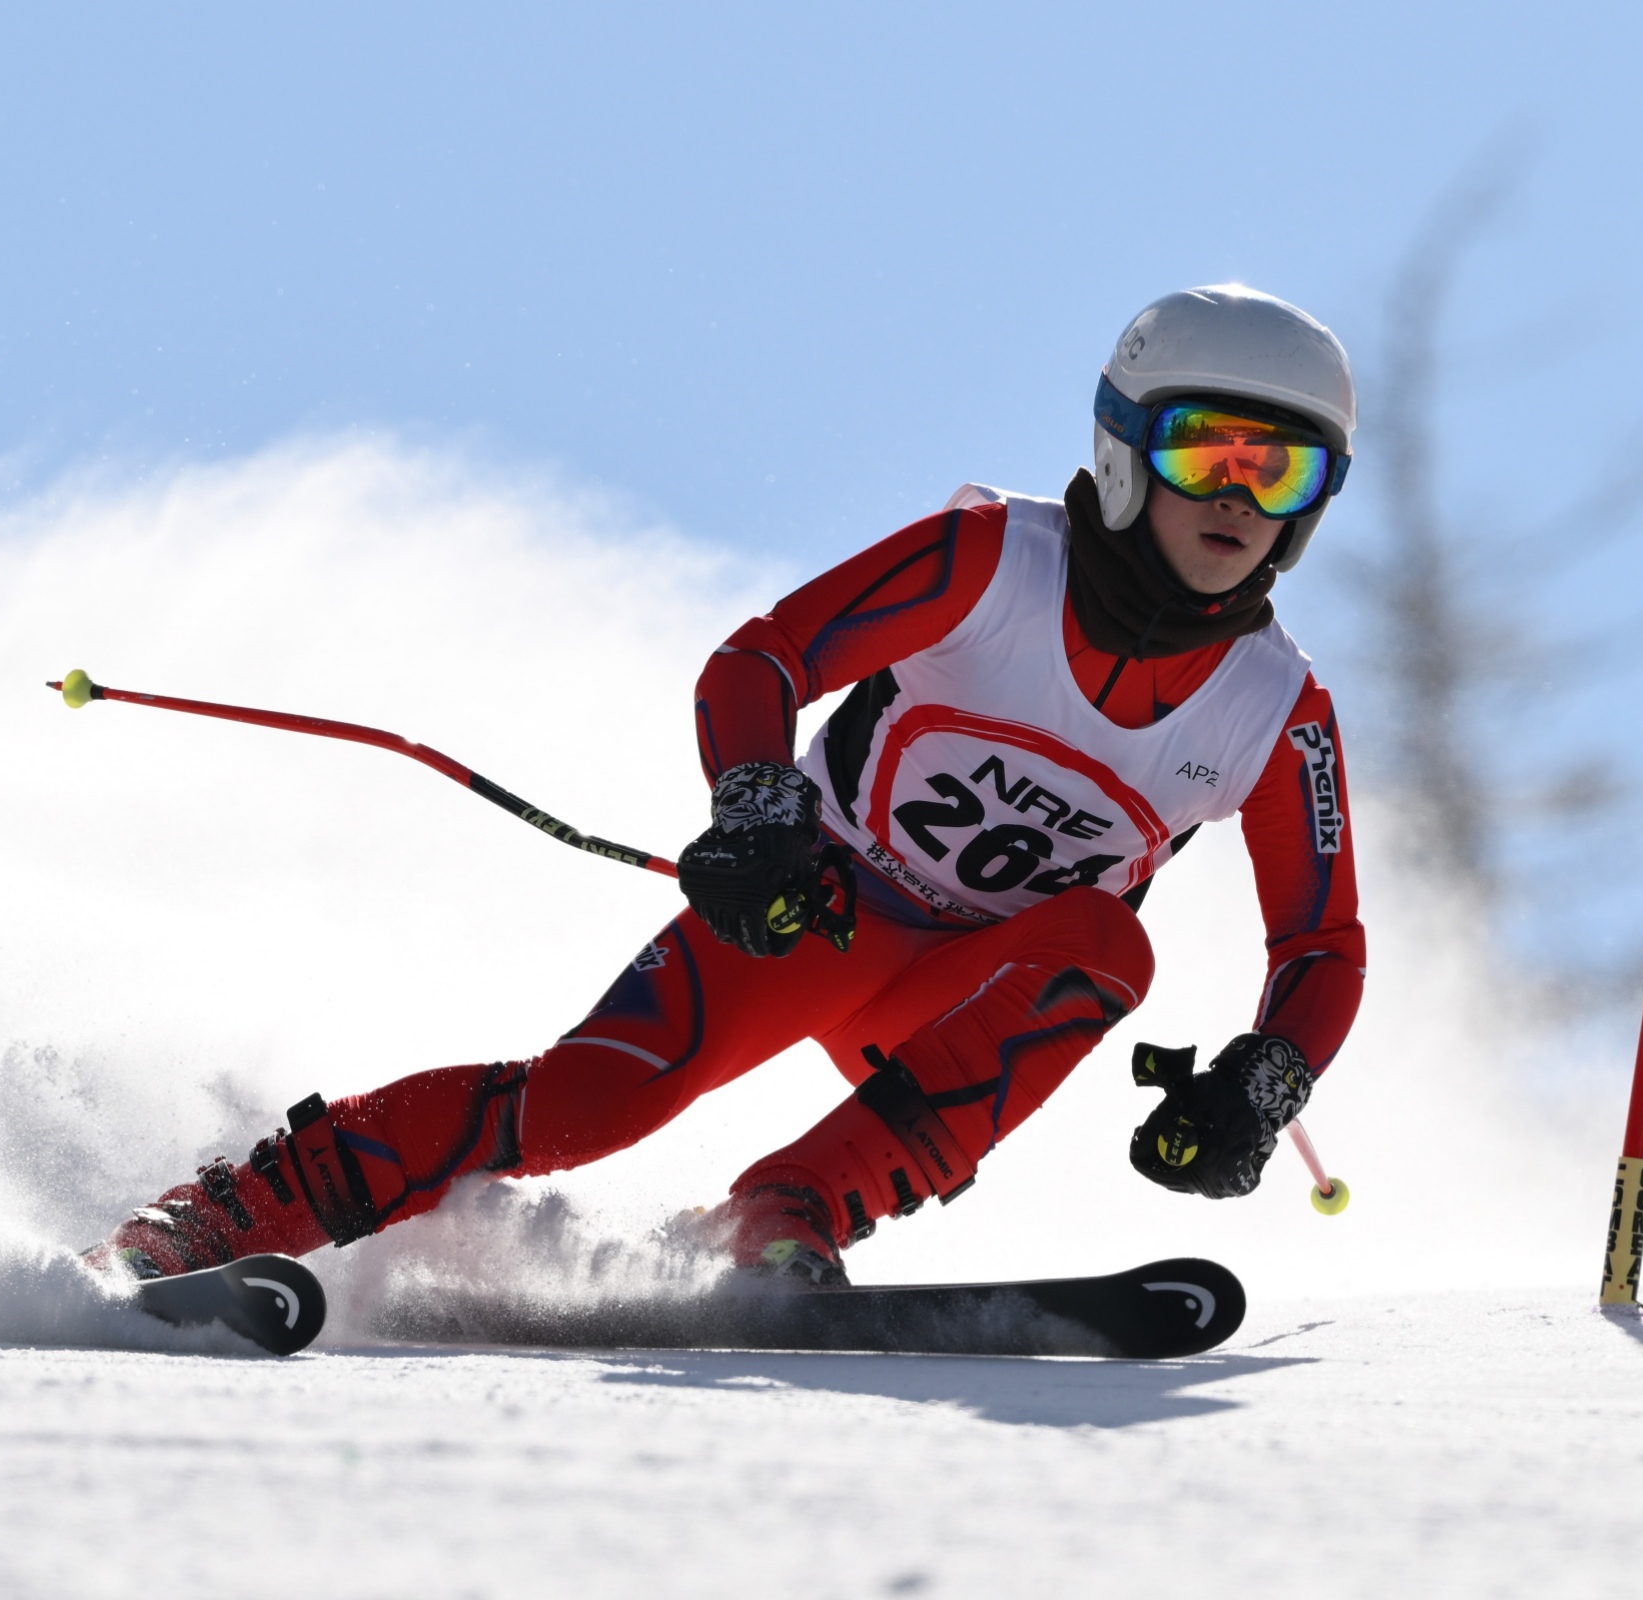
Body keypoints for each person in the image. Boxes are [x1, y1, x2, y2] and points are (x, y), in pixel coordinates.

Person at [87, 283, 1365, 1288]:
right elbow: (762, 659)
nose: (1239, 498)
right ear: (1127, 449)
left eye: (1283, 471)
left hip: (961, 1001)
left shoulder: (1274, 710)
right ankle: (213, 1223)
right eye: (1207, 453)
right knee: (580, 1108)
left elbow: (1321, 943)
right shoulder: (993, 563)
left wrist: (1263, 1083)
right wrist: (759, 811)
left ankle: (784, 1215)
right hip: (812, 914)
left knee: (1107, 944)